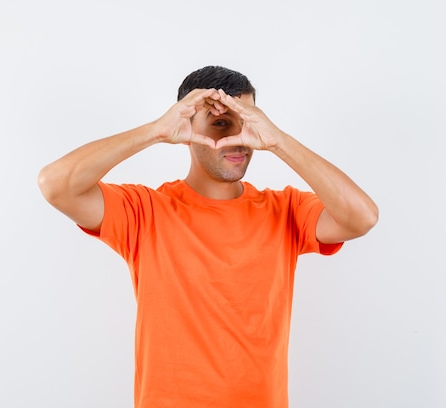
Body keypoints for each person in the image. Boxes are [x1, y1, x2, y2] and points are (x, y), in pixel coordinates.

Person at [37, 65, 378, 408]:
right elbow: (56, 185)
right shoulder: (145, 211)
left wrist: (279, 142)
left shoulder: (285, 209)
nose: (239, 140)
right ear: (185, 128)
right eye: (220, 124)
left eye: (247, 124)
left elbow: (362, 217)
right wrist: (154, 131)